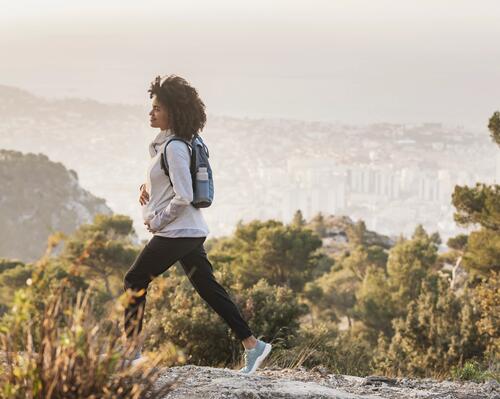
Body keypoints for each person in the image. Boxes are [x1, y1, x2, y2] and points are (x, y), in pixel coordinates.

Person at [123, 74, 271, 374]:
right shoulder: (168, 143)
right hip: (188, 232)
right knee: (209, 289)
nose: (151, 113)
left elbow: (184, 194)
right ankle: (253, 346)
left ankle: (131, 353)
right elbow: (170, 179)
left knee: (135, 279)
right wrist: (147, 187)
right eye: (151, 107)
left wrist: (157, 220)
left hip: (177, 231)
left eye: (157, 109)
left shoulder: (175, 147)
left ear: (172, 113)